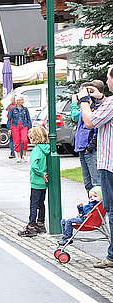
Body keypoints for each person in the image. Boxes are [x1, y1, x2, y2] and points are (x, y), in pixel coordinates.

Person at [76, 65, 113, 269]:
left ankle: (112, 255)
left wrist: (84, 102)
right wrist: (100, 98)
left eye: (108, 78)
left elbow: (89, 122)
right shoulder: (109, 102)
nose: (106, 82)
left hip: (109, 164)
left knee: (111, 209)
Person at [18, 126, 50, 237]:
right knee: (41, 203)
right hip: (44, 182)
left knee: (34, 204)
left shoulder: (37, 150)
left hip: (37, 181)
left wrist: (41, 173)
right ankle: (41, 223)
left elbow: (34, 165)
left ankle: (31, 225)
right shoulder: (47, 148)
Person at [71, 81, 102, 194]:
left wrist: (90, 147)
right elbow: (75, 116)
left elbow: (96, 130)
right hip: (82, 148)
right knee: (88, 184)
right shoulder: (84, 109)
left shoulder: (96, 108)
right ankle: (91, 207)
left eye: (82, 91)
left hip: (91, 150)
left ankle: (100, 209)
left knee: (96, 183)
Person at [7, 94, 32, 163]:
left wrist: (30, 128)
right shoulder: (13, 109)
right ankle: (19, 156)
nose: (22, 101)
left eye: (22, 100)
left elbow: (29, 119)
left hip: (24, 125)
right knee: (17, 141)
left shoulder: (25, 109)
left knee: (24, 140)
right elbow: (9, 119)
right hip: (15, 126)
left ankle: (24, 155)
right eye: (21, 100)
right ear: (17, 101)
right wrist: (9, 128)